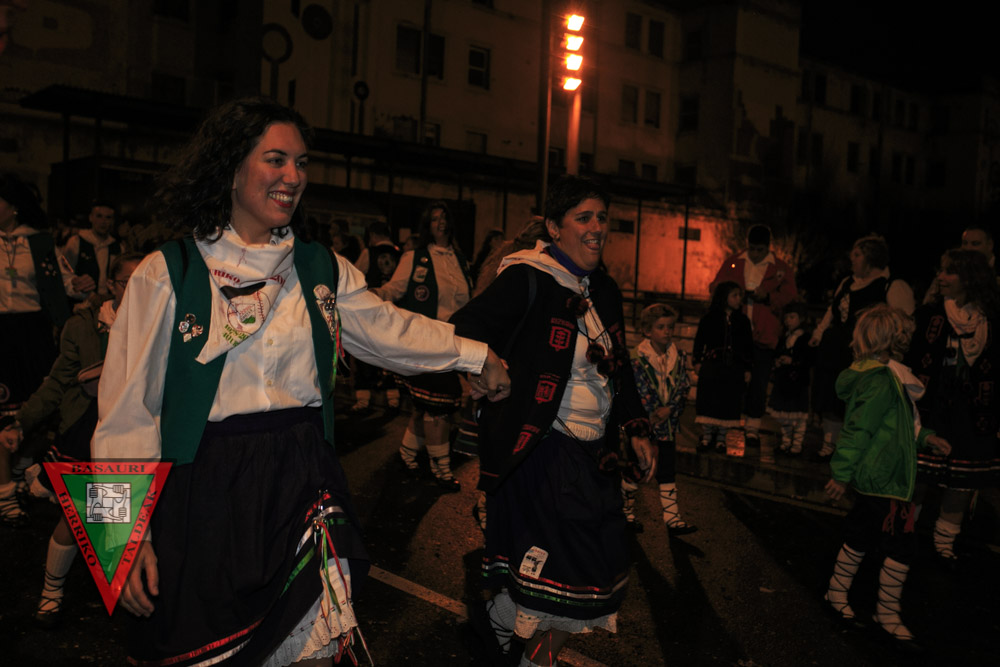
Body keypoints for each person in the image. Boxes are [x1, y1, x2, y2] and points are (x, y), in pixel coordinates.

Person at [91, 96, 510, 667]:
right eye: (276, 160)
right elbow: (123, 414)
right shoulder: (169, 271)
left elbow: (390, 331)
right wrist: (119, 539)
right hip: (205, 492)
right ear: (231, 169)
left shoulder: (319, 266)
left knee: (312, 648)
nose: (294, 176)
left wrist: (474, 354)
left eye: (301, 162)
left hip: (304, 476)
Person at [450, 175, 656, 667]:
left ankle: (498, 621)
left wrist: (636, 427)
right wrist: (486, 367)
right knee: (574, 578)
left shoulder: (604, 289)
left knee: (589, 574)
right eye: (583, 217)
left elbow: (619, 367)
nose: (596, 227)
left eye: (602, 217)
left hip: (595, 455)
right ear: (554, 227)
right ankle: (522, 649)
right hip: (544, 452)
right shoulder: (528, 278)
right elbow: (463, 328)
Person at [18, 251, 144, 626]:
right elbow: (58, 381)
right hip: (90, 432)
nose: (135, 290)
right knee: (78, 517)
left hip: (134, 434)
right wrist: (21, 422)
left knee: (113, 517)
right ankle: (51, 591)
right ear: (112, 285)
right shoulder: (86, 325)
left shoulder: (158, 322)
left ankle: (118, 594)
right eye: (127, 282)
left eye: (144, 282)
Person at [823, 304, 951, 649]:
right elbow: (858, 430)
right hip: (886, 480)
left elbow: (901, 425)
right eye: (903, 335)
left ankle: (838, 593)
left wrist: (927, 438)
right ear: (891, 340)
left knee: (861, 536)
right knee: (900, 546)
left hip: (884, 478)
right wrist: (840, 474)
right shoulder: (881, 380)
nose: (908, 340)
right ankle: (887, 613)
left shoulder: (885, 376)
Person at [2, 173, 91, 523]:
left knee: (36, 402)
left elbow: (67, 282)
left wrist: (80, 284)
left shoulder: (39, 243)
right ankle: (5, 490)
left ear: (12, 207)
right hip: (0, 330)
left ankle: (21, 467)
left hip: (32, 331)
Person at [374, 201, 475, 491]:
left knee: (426, 406)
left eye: (444, 217)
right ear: (427, 225)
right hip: (425, 342)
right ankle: (441, 469)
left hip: (452, 342)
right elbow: (394, 289)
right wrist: (373, 295)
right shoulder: (414, 257)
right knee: (438, 407)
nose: (440, 222)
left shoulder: (460, 260)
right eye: (434, 218)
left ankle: (407, 456)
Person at [907, 249, 1000, 565]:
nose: (941, 277)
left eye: (949, 272)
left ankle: (944, 544)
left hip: (973, 416)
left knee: (961, 484)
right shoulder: (930, 315)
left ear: (970, 278)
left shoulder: (991, 320)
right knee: (917, 479)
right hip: (932, 409)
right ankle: (903, 535)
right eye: (941, 270)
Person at [809, 234, 914, 459]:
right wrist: (819, 334)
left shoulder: (891, 285)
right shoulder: (848, 282)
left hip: (865, 352)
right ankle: (830, 444)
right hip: (836, 349)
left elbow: (904, 322)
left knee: (858, 401)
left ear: (871, 258)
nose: (852, 259)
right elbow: (831, 312)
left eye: (857, 255)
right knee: (831, 396)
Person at [708, 224, 797, 448]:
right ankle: (725, 424)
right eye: (752, 249)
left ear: (768, 247)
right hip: (734, 334)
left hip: (764, 335)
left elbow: (790, 297)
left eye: (760, 250)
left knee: (759, 382)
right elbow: (716, 287)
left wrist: (767, 297)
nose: (755, 254)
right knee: (731, 380)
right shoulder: (734, 262)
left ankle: (752, 428)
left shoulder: (781, 268)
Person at [627, 303, 696, 536]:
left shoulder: (678, 356)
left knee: (667, 469)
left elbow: (683, 386)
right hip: (643, 425)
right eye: (661, 327)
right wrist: (652, 412)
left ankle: (672, 517)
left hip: (667, 424)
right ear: (647, 330)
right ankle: (625, 512)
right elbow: (636, 388)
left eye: (670, 327)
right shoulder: (636, 358)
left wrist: (670, 409)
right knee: (637, 467)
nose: (667, 331)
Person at [692, 281, 753, 454]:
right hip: (713, 366)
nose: (738, 299)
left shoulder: (742, 321)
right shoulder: (709, 318)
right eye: (734, 295)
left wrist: (747, 368)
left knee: (727, 402)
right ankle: (707, 436)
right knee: (709, 401)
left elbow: (748, 346)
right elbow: (700, 340)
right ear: (724, 297)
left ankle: (721, 439)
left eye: (739, 295)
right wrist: (697, 361)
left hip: (733, 368)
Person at [350, 222, 402, 411]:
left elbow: (354, 276)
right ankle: (393, 395)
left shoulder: (368, 253)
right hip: (393, 310)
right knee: (390, 351)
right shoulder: (401, 254)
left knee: (366, 352)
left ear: (372, 235)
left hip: (371, 309)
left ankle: (364, 397)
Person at [766, 301, 813, 456]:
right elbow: (777, 352)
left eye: (792, 317)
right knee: (784, 416)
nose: (788, 321)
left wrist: (793, 361)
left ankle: (796, 445)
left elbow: (808, 359)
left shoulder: (805, 338)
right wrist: (778, 360)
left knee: (798, 417)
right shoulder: (784, 337)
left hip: (797, 383)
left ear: (801, 318)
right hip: (784, 381)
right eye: (786, 318)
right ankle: (786, 442)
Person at [61, 200, 123, 298]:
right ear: (91, 218)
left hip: (108, 300)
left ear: (112, 221)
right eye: (99, 216)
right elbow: (65, 274)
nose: (103, 221)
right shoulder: (76, 242)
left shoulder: (118, 247)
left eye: (108, 217)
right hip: (81, 300)